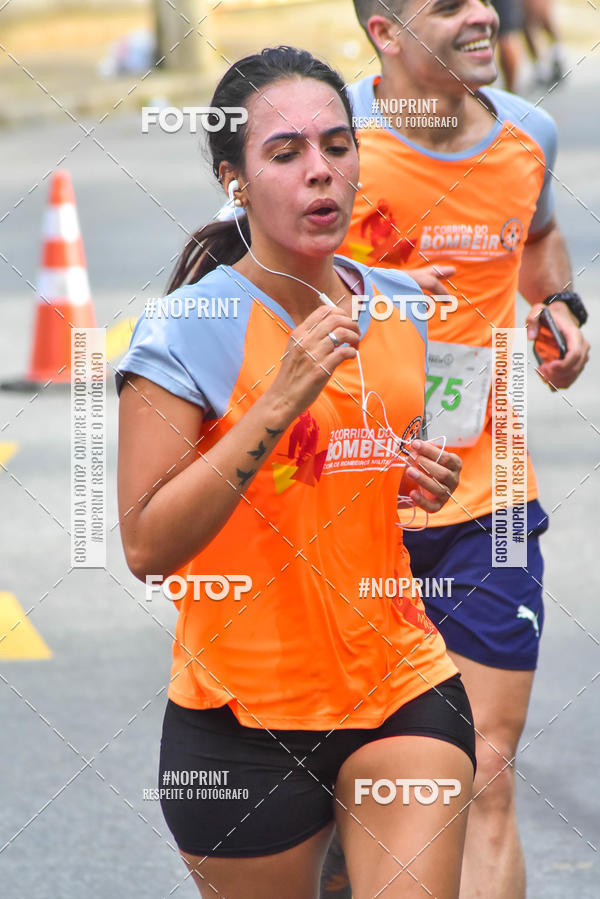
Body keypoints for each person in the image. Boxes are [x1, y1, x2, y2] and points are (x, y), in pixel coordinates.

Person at [116, 46, 476, 899]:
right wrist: (274, 405)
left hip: (399, 680)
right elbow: (146, 546)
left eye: (337, 146)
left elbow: (348, 469)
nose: (321, 172)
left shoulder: (397, 304)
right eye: (286, 154)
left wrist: (409, 474)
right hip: (242, 718)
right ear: (235, 179)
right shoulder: (186, 330)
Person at [319, 2, 590, 899]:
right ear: (385, 33)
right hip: (341, 504)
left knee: (485, 770)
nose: (483, 13)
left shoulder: (529, 133)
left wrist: (559, 314)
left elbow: (540, 239)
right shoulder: (322, 142)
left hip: (488, 501)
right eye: (448, 5)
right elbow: (243, 289)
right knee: (347, 782)